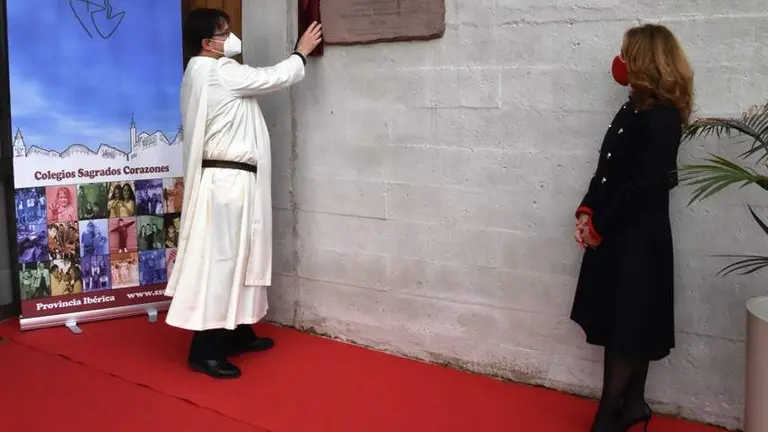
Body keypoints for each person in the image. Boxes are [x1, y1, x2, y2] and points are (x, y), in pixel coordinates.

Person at [164, 8, 323, 379]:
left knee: (239, 257)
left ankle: (236, 332)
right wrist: (300, 52)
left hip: (228, 180)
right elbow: (271, 77)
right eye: (224, 32)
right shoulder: (219, 70)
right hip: (228, 183)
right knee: (225, 262)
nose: (231, 37)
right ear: (208, 43)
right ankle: (206, 350)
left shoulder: (198, 71)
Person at [571, 24, 694, 432]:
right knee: (622, 322)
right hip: (616, 231)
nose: (619, 62)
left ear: (644, 61)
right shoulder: (633, 109)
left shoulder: (663, 118)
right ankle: (633, 405)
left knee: (630, 326)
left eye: (626, 54)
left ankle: (610, 417)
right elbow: (607, 168)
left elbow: (643, 186)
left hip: (639, 238)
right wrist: (587, 212)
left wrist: (600, 226)